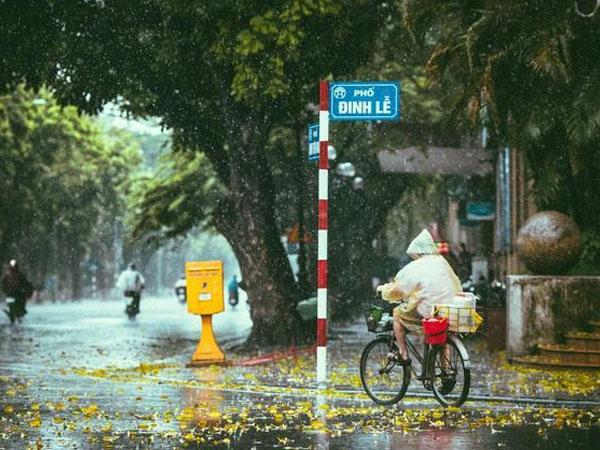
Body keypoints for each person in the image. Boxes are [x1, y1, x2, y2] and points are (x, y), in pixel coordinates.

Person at [377, 229, 461, 364]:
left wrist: (383, 290)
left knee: (397, 314)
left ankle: (403, 354)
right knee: (442, 337)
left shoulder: (416, 266)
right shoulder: (442, 262)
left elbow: (399, 289)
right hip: (448, 310)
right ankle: (446, 373)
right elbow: (456, 284)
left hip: (427, 311)